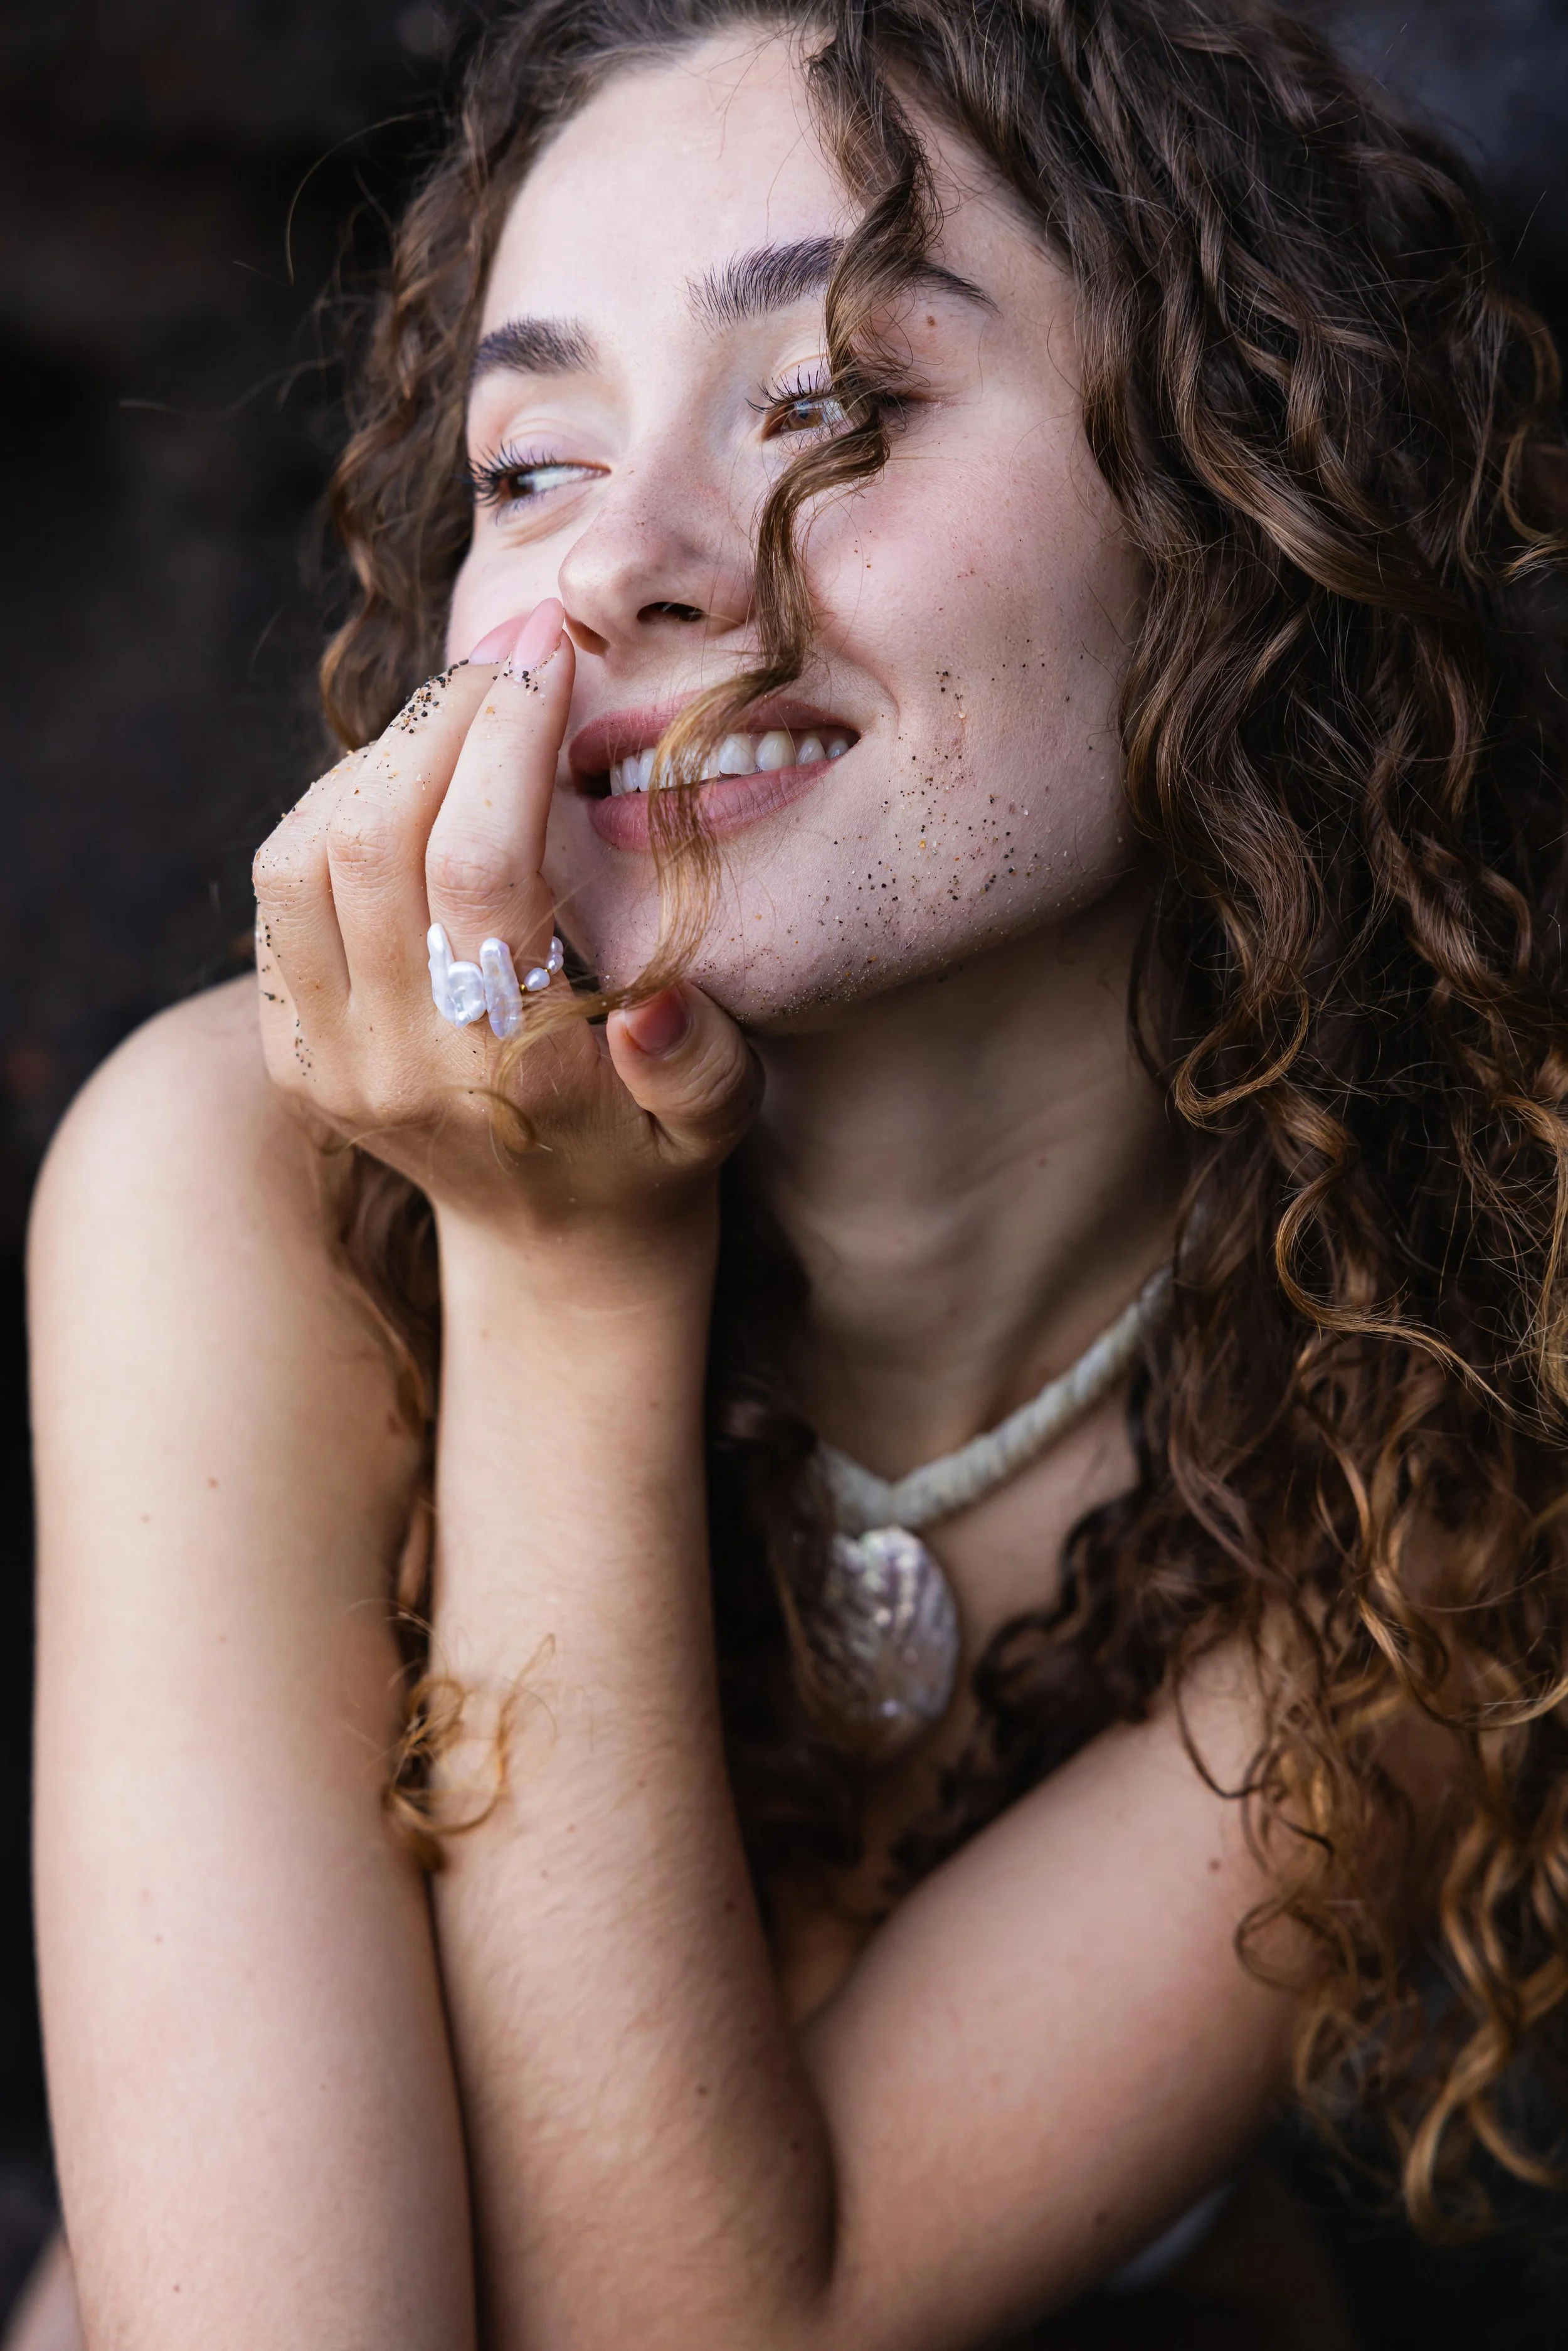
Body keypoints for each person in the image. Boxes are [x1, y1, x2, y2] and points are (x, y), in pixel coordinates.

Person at [20, 1, 1568, 2343]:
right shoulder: (232, 1177)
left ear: (1239, 486)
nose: (616, 567)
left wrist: (573, 1283)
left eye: (829, 405)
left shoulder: (1463, 1377)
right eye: (529, 467)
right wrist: (553, 1270)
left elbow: (704, 2315)